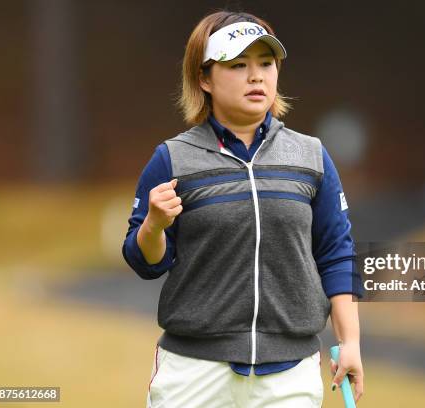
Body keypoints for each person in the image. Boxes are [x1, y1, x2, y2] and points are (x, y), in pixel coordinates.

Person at [121, 9, 364, 407]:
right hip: (194, 373)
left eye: (266, 63)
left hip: (290, 375)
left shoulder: (311, 156)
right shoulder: (173, 159)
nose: (256, 76)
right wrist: (154, 224)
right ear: (204, 78)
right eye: (238, 65)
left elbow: (336, 254)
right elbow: (145, 261)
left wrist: (349, 342)